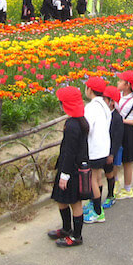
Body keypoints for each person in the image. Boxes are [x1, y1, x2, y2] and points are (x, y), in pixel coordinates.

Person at [47, 86, 89, 248]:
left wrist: (65, 175)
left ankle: (77, 236)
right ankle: (66, 228)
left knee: (74, 203)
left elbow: (70, 152)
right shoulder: (79, 121)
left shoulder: (73, 125)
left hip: (71, 170)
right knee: (61, 200)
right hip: (69, 167)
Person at [82, 77, 111, 224]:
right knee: (98, 177)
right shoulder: (105, 106)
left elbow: (87, 128)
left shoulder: (91, 108)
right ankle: (95, 204)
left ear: (90, 90)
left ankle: (98, 213)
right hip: (104, 148)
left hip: (94, 149)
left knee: (92, 179)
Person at [115, 71, 133, 199]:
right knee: (115, 159)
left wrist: (123, 120)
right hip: (117, 129)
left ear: (127, 85)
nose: (118, 82)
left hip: (129, 132)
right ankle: (115, 184)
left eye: (121, 81)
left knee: (127, 161)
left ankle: (128, 188)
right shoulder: (117, 96)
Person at [101, 85, 123, 210]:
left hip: (109, 150)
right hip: (99, 149)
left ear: (112, 102)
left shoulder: (117, 118)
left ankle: (110, 195)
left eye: (105, 99)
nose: (103, 101)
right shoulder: (101, 114)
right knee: (97, 175)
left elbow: (117, 139)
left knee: (109, 174)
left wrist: (111, 154)